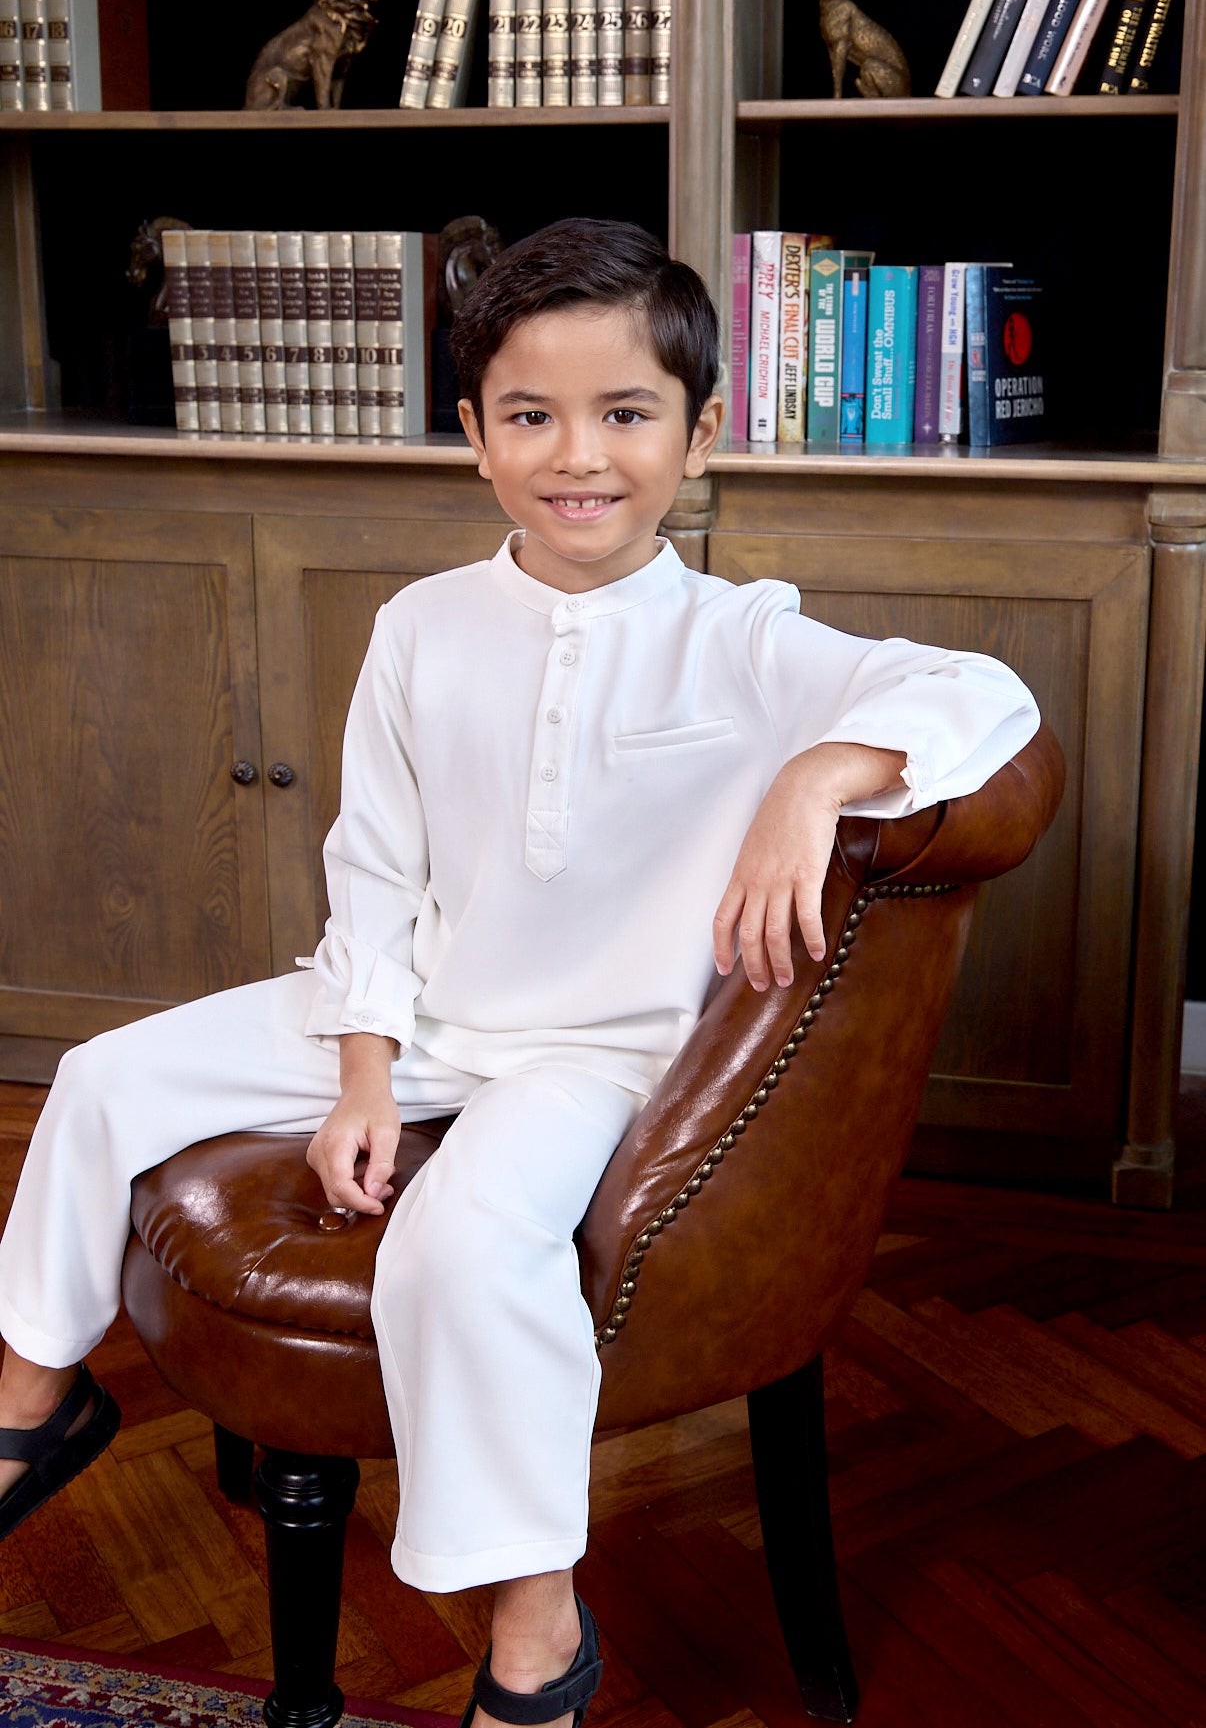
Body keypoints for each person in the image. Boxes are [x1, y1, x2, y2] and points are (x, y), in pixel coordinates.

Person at [0, 219, 1039, 1728]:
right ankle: (35, 1397)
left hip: (591, 1055)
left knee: (462, 1242)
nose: (581, 457)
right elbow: (373, 863)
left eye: (626, 414)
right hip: (420, 1007)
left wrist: (818, 771)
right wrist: (363, 1065)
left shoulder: (741, 637)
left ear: (697, 433)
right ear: (473, 438)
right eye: (530, 415)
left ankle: (535, 1630)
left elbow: (986, 694)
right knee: (99, 1079)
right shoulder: (417, 625)